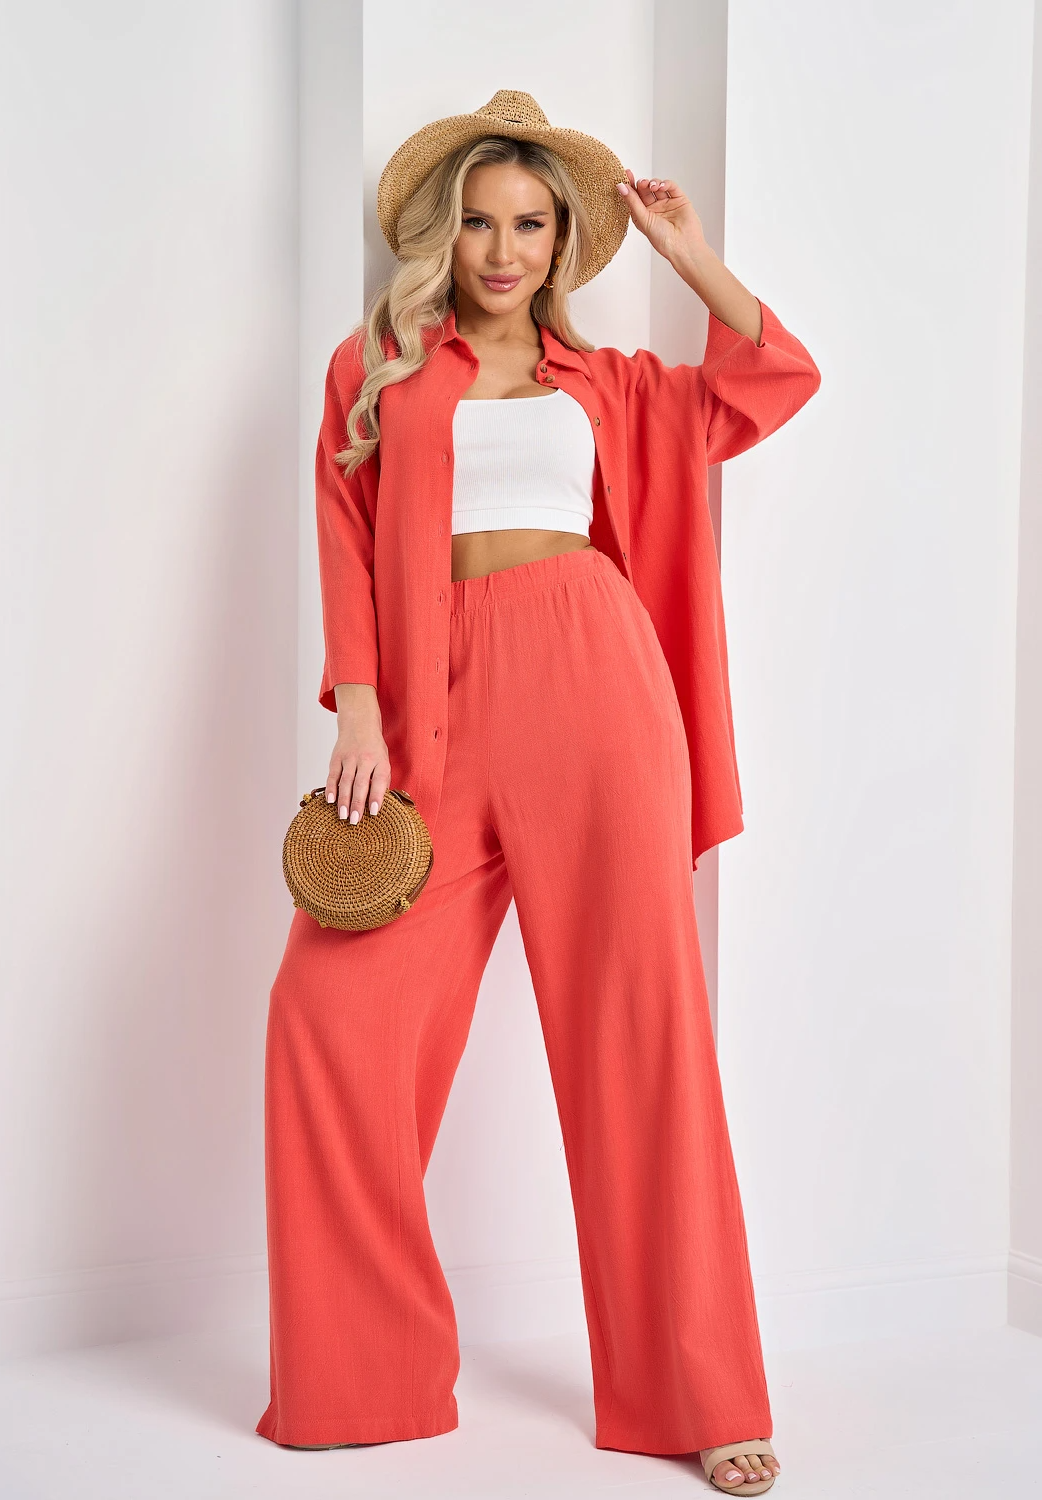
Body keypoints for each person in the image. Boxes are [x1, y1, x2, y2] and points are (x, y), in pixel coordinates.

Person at [256, 90, 820, 1496]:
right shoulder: (377, 371)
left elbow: (774, 379)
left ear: (563, 241)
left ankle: (702, 1394)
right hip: (427, 717)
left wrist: (691, 256)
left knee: (644, 1035)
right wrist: (361, 708)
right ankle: (365, 1377)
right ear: (443, 237)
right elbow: (342, 534)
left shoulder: (614, 385)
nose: (502, 251)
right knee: (327, 1019)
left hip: (595, 686)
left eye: (530, 225)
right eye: (479, 224)